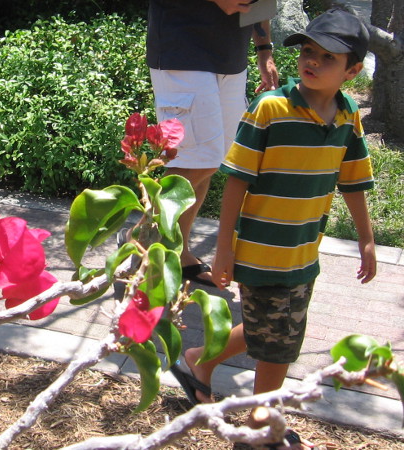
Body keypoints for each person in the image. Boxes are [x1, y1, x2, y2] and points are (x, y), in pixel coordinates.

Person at [176, 8, 377, 448]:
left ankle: (200, 361)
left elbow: (355, 181)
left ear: (353, 70)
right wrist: (224, 247)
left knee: (271, 327)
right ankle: (260, 427)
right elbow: (236, 180)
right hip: (260, 250)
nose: (313, 62)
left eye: (328, 58)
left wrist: (366, 239)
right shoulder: (271, 109)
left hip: (303, 252)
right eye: (309, 51)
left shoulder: (347, 118)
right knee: (280, 344)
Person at [147, 0, 279, 286]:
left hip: (230, 57)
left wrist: (264, 49)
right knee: (197, 160)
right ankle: (144, 241)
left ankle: (175, 252)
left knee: (216, 158)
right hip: (181, 51)